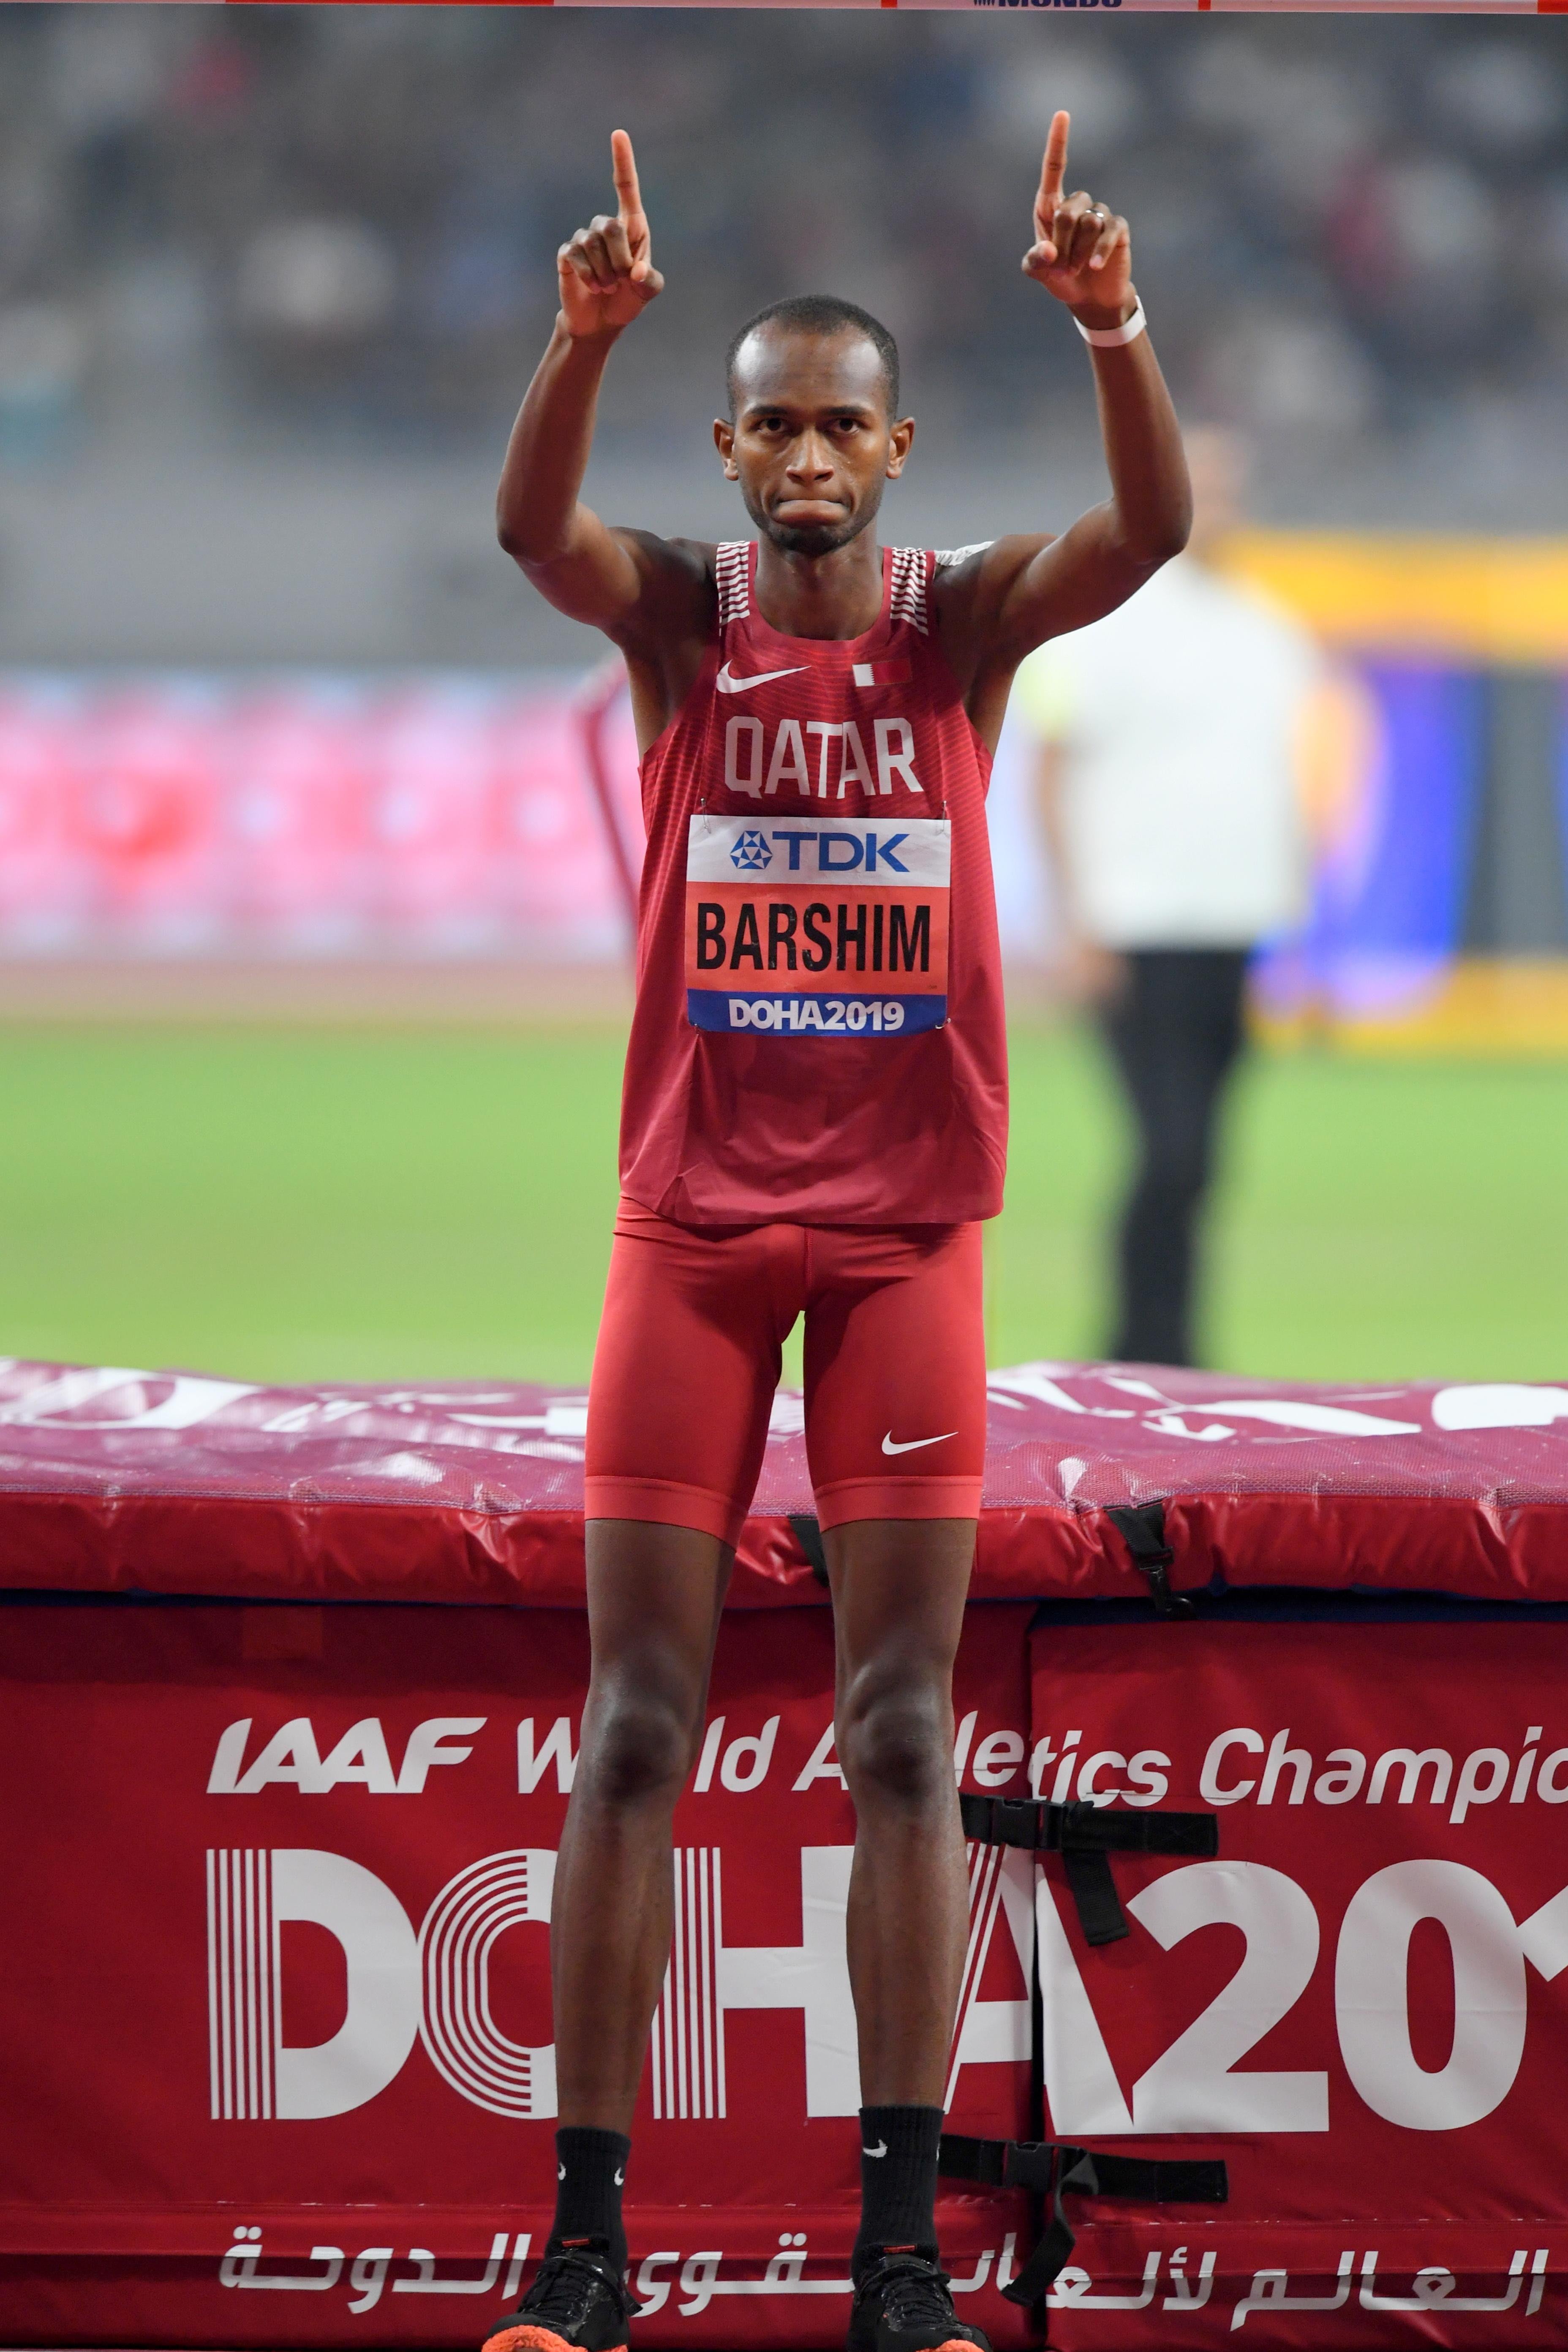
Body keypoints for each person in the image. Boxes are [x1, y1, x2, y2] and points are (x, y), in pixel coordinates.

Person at [486, 119, 1188, 2352]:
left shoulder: (955, 627)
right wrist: (575, 345)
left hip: (902, 1250)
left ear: (892, 446)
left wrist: (1114, 326)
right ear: (735, 443)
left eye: (838, 420)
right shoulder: (683, 624)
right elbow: (528, 529)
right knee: (631, 1734)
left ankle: (904, 2263)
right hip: (691, 1239)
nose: (804, 452)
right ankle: (586, 2255)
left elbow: (1153, 530)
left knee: (904, 1739)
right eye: (767, 419)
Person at [1015, 430, 1317, 1368]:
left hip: (1232, 926)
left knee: (1201, 1160)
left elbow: (1278, 784)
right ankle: (1140, 1349)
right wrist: (1071, 920)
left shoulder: (1269, 631)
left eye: (1227, 490)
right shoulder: (1098, 627)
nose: (1215, 508)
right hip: (1132, 926)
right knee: (1170, 1149)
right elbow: (1050, 773)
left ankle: (1173, 1352)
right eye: (1200, 489)